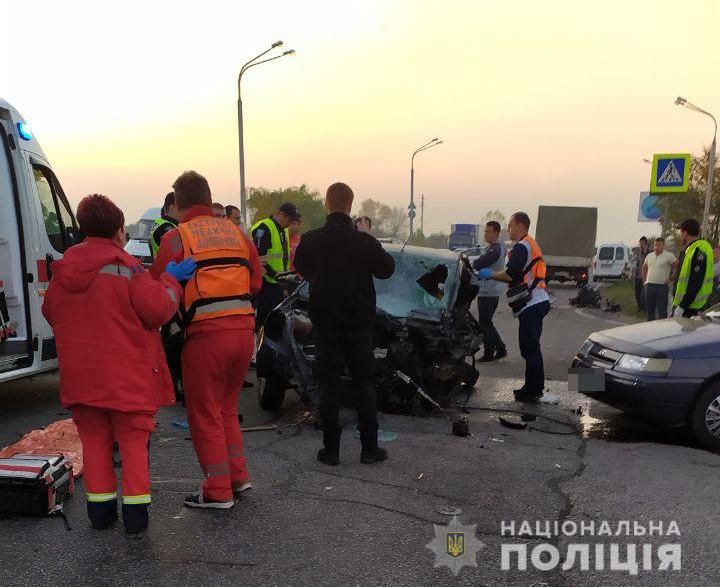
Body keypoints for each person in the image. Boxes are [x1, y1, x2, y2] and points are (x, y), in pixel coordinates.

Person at [42, 194, 192, 533]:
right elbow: (157, 310)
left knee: (94, 446)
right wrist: (171, 281)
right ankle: (136, 520)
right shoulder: (128, 267)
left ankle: (102, 514)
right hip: (128, 379)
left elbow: (50, 311)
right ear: (118, 229)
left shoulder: (63, 269)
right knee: (134, 446)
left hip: (82, 380)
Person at [151, 171, 262, 509]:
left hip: (204, 337)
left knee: (205, 415)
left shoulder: (177, 237)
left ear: (179, 203)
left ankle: (217, 490)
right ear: (208, 196)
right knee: (227, 410)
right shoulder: (237, 233)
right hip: (243, 334)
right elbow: (256, 283)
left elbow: (155, 288)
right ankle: (238, 478)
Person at [294, 183, 395, 465]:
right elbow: (387, 269)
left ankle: (331, 451)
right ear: (351, 206)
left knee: (329, 387)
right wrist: (368, 238)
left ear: (327, 204)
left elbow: (301, 268)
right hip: (359, 326)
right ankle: (369, 449)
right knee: (364, 385)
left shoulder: (312, 240)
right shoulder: (364, 242)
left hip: (326, 326)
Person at [478, 212, 550, 402]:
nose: (508, 229)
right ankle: (531, 387)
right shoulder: (529, 244)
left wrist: (490, 275)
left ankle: (534, 390)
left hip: (532, 303)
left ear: (519, 226)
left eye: (510, 225)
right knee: (530, 347)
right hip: (535, 301)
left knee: (530, 348)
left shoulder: (522, 247)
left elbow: (510, 275)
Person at [251, 202, 301, 329]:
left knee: (277, 323)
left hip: (278, 284)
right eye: (289, 220)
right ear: (280, 214)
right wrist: (275, 275)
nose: (290, 224)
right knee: (265, 323)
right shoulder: (264, 228)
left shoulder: (282, 230)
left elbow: (283, 257)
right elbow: (259, 258)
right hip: (266, 284)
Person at [472, 221, 507, 362]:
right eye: (485, 231)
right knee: (487, 323)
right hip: (489, 290)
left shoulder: (495, 249)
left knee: (484, 324)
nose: (485, 234)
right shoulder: (493, 248)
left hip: (489, 291)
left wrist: (474, 263)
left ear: (496, 233)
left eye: (488, 232)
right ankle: (499, 349)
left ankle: (491, 351)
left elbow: (479, 263)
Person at [671, 219, 714, 318]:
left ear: (685, 233)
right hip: (689, 305)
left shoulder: (699, 249)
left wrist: (682, 306)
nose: (680, 236)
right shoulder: (692, 248)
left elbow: (695, 281)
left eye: (681, 232)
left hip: (691, 307)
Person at [642, 237, 677, 321]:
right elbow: (644, 267)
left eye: (659, 245)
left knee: (662, 311)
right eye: (656, 245)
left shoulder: (668, 255)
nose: (657, 247)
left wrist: (672, 278)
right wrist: (644, 281)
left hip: (661, 287)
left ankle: (662, 330)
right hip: (649, 286)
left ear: (663, 246)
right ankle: (650, 329)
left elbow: (677, 266)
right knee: (650, 311)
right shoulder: (649, 255)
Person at [150, 192, 180, 259]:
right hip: (168, 267)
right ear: (172, 208)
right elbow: (180, 252)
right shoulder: (166, 228)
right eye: (182, 207)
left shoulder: (160, 223)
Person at [632, 236, 649, 314]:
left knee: (644, 294)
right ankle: (640, 308)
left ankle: (645, 309)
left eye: (642, 244)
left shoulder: (650, 253)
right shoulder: (639, 253)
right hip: (638, 276)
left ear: (645, 244)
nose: (640, 245)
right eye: (640, 244)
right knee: (637, 293)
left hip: (646, 277)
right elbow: (637, 264)